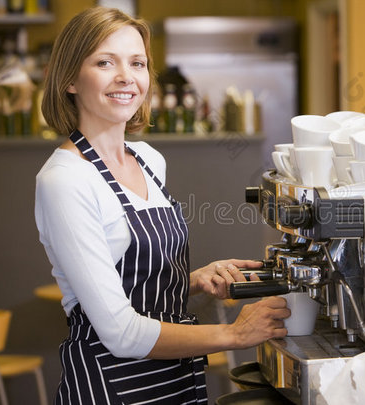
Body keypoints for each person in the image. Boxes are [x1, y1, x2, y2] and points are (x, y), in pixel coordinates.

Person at [35, 7, 290, 404]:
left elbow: (125, 290)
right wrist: (235, 335)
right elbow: (119, 330)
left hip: (176, 378)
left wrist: (189, 281)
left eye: (137, 63)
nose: (126, 77)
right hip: (112, 386)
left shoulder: (149, 160)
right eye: (105, 62)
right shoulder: (65, 180)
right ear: (70, 78)